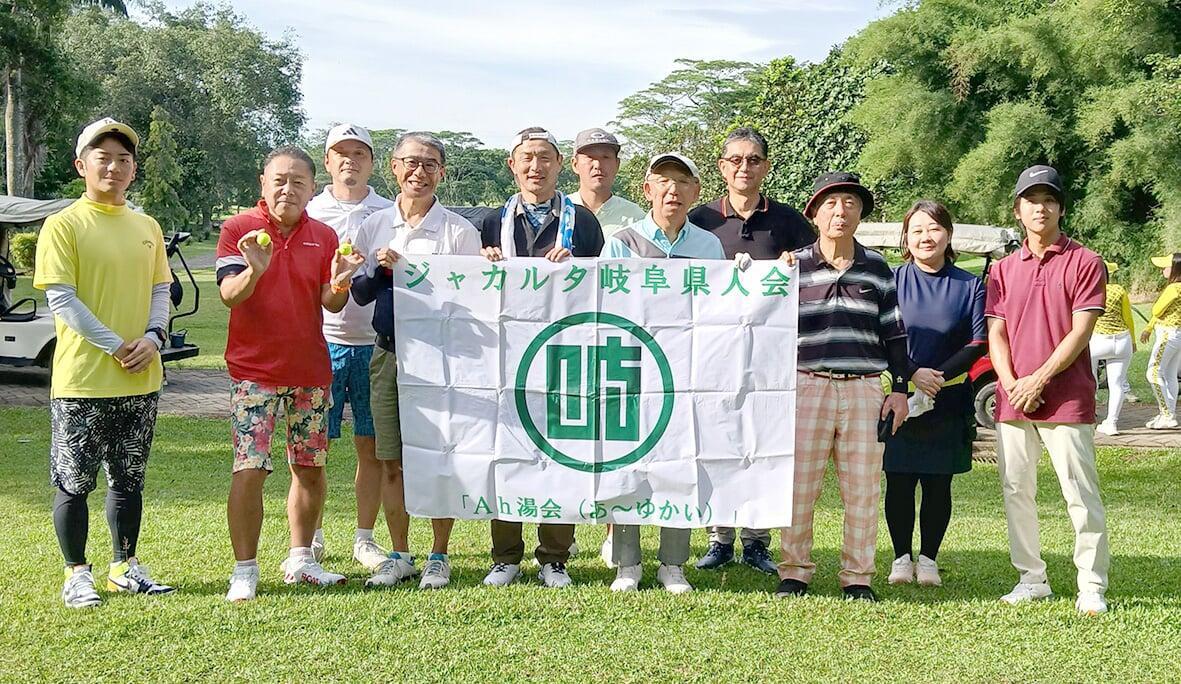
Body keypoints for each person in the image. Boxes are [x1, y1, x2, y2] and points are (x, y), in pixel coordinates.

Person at [35, 117, 176, 608]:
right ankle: (76, 572)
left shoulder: (147, 225)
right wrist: (118, 345)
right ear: (82, 166)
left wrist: (155, 338)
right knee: (74, 482)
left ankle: (124, 566)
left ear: (133, 169)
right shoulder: (64, 224)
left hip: (141, 377)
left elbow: (162, 290)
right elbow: (62, 300)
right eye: (103, 157)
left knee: (129, 478)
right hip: (83, 380)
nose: (114, 166)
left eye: (123, 159)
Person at [217, 146, 366, 601]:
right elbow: (228, 295)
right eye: (279, 180)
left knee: (310, 468)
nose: (288, 189)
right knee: (250, 469)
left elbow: (332, 302)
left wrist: (341, 280)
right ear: (263, 183)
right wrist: (254, 272)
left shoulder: (323, 236)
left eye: (298, 182)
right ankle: (245, 569)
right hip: (253, 373)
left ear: (311, 188)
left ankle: (302, 558)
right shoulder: (239, 230)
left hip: (310, 371)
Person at [350, 132, 482, 589]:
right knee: (392, 458)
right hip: (388, 350)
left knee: (440, 455)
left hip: (442, 357)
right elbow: (360, 294)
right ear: (394, 167)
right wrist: (377, 268)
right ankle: (400, 552)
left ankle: (439, 554)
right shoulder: (373, 226)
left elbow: (473, 298)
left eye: (429, 165)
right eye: (411, 163)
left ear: (441, 173)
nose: (419, 172)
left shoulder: (459, 231)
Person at [775, 172, 910, 603]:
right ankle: (794, 572)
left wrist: (901, 389)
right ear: (814, 213)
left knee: (863, 488)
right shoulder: (791, 266)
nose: (841, 211)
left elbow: (894, 333)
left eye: (850, 203)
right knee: (799, 486)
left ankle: (858, 577)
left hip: (865, 388)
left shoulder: (877, 268)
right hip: (807, 385)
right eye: (831, 203)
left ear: (860, 213)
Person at [479, 127, 604, 588]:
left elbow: (602, 288)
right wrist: (484, 260)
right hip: (507, 357)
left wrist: (578, 266)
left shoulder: (584, 221)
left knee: (560, 450)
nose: (536, 167)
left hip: (564, 353)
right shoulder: (493, 220)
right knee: (507, 448)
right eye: (527, 158)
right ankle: (505, 555)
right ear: (512, 166)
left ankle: (555, 556)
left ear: (559, 164)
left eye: (545, 158)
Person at [687, 126, 815, 574]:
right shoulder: (700, 220)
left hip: (770, 357)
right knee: (717, 438)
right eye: (735, 159)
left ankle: (756, 540)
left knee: (763, 441)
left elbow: (811, 278)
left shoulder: (790, 222)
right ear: (722, 167)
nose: (745, 167)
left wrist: (790, 268)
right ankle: (719, 537)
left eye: (754, 159)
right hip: (712, 354)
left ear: (765, 166)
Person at [985, 164, 1110, 615]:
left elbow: (1081, 332)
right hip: (1013, 398)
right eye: (1032, 200)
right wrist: (1013, 383)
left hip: (1067, 397)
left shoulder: (1085, 261)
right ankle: (1031, 578)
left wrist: (1038, 379)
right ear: (1018, 210)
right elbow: (995, 333)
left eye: (1049, 200)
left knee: (1079, 491)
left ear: (1060, 208)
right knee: (1016, 489)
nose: (1041, 208)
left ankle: (1091, 584)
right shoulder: (1000, 270)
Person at [600, 153, 723, 593]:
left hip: (686, 371)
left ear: (695, 192)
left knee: (682, 459)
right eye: (662, 181)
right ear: (647, 190)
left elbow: (720, 308)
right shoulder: (622, 242)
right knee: (628, 460)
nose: (672, 190)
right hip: (631, 367)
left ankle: (674, 563)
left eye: (682, 182)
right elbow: (603, 305)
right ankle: (627, 564)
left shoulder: (709, 245)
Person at [883, 200, 986, 588]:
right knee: (899, 478)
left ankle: (928, 559)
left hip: (949, 396)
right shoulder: (891, 280)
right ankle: (900, 557)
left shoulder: (970, 284)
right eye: (917, 230)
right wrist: (913, 373)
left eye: (934, 228)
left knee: (938, 482)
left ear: (948, 235)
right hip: (899, 396)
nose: (926, 237)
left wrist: (936, 377)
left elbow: (978, 341)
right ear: (906, 239)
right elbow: (884, 335)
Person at [305, 124, 395, 569]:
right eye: (341, 153)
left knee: (371, 445)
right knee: (314, 446)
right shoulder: (310, 211)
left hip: (375, 344)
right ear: (327, 161)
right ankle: (313, 534)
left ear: (372, 163)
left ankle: (364, 537)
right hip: (321, 342)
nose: (350, 161)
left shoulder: (388, 212)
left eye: (360, 153)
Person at [569, 127, 646, 237]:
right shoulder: (560, 210)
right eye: (590, 157)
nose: (598, 165)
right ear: (575, 164)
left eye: (605, 157)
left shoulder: (635, 217)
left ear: (617, 164)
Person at [1090, 261, 1136, 435]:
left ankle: (1089, 415)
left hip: (1097, 340)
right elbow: (1128, 317)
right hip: (1122, 340)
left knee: (1090, 380)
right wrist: (1133, 341)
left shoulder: (1090, 289)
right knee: (1116, 384)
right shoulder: (1118, 290)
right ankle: (1112, 423)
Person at [1141, 253, 1181, 429]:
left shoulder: (1173, 289)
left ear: (1175, 269)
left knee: (1153, 372)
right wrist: (1149, 328)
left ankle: (1167, 414)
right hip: (1178, 334)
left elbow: (1157, 310)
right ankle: (1168, 413)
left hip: (1168, 334)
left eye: (1166, 266)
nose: (1163, 270)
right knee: (1170, 375)